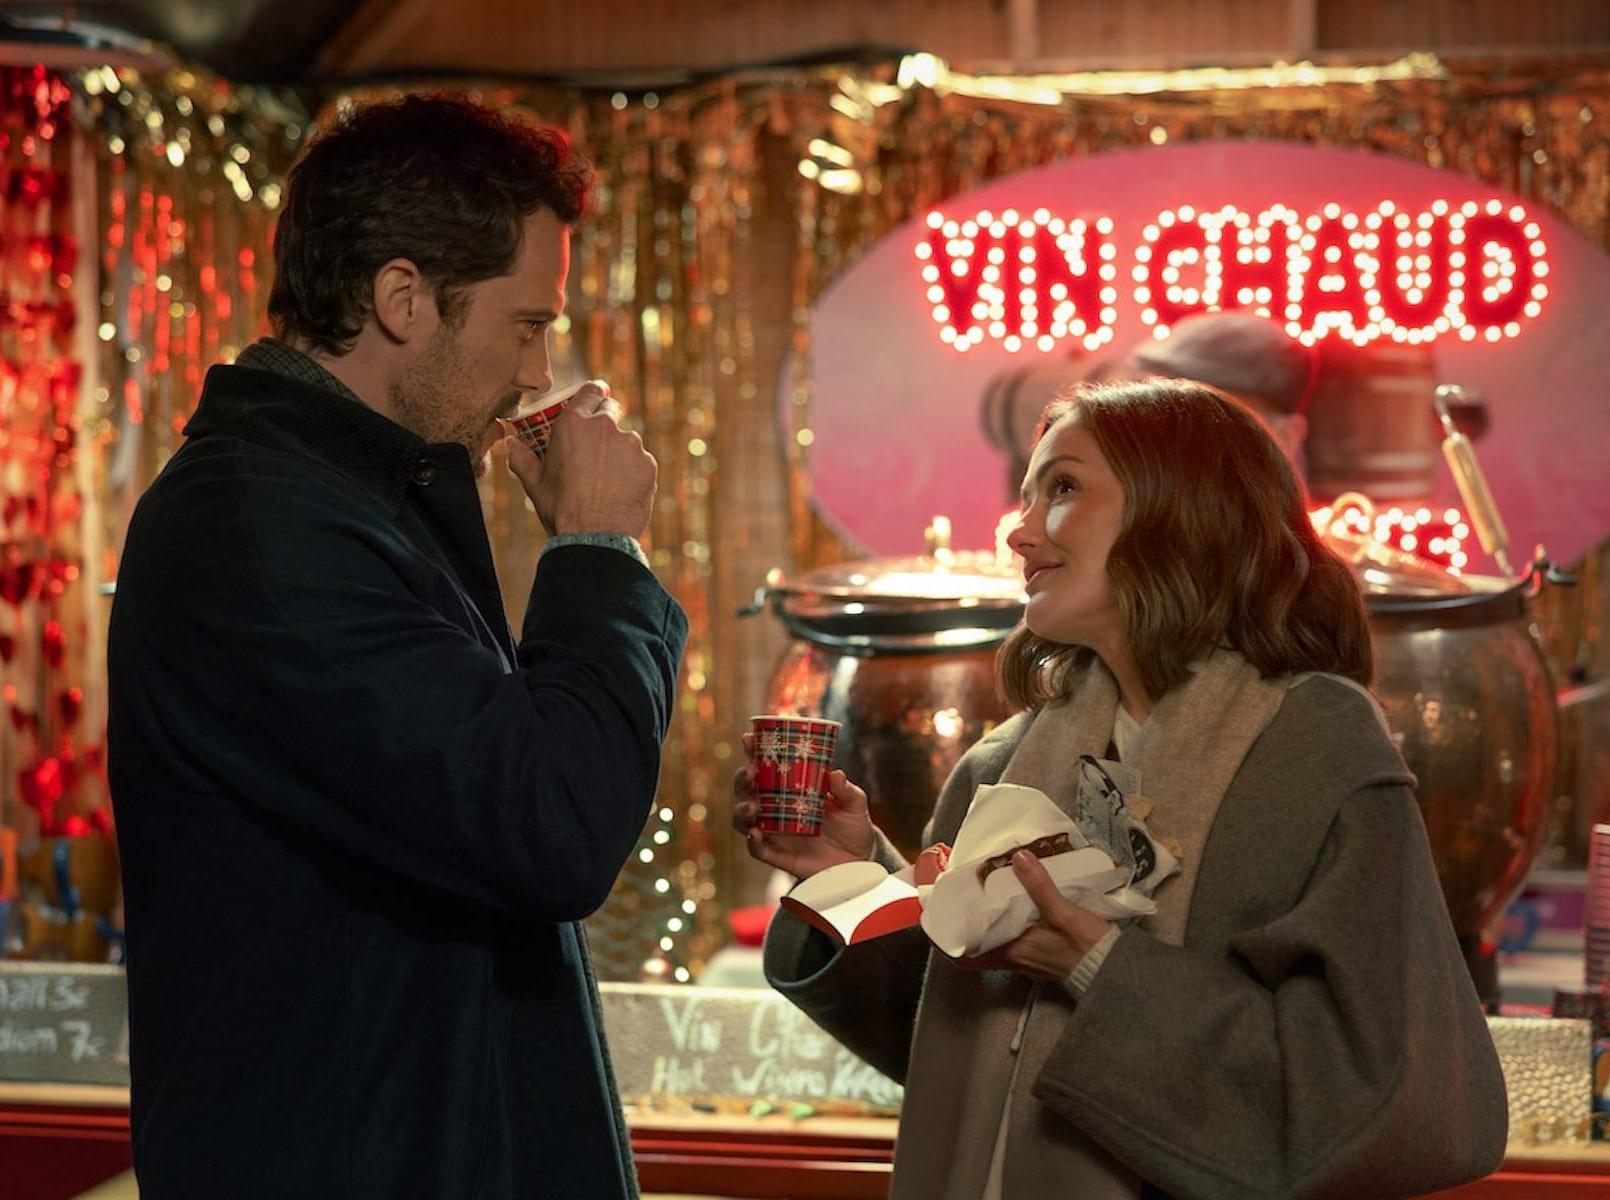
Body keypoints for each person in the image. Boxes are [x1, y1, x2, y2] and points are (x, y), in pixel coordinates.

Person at [108, 95, 687, 1198]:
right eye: (526, 324)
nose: (538, 370)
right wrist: (599, 548)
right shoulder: (257, 526)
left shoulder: (348, 501)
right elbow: (551, 828)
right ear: (403, 299)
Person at [738, 379, 1506, 1199]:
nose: (1019, 531)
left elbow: (1384, 1097)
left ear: (1184, 511)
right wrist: (852, 878)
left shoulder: (1314, 752)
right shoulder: (1002, 766)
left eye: (1063, 488)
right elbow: (947, 1049)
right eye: (1026, 497)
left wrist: (1096, 967)